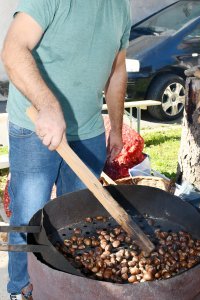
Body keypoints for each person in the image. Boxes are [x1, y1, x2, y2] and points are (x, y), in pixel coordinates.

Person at [1, 0, 131, 299]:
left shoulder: (120, 7)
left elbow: (117, 70)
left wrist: (115, 127)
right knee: (29, 215)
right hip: (36, 128)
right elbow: (12, 50)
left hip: (88, 132)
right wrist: (48, 106)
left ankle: (66, 283)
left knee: (79, 217)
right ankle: (21, 288)